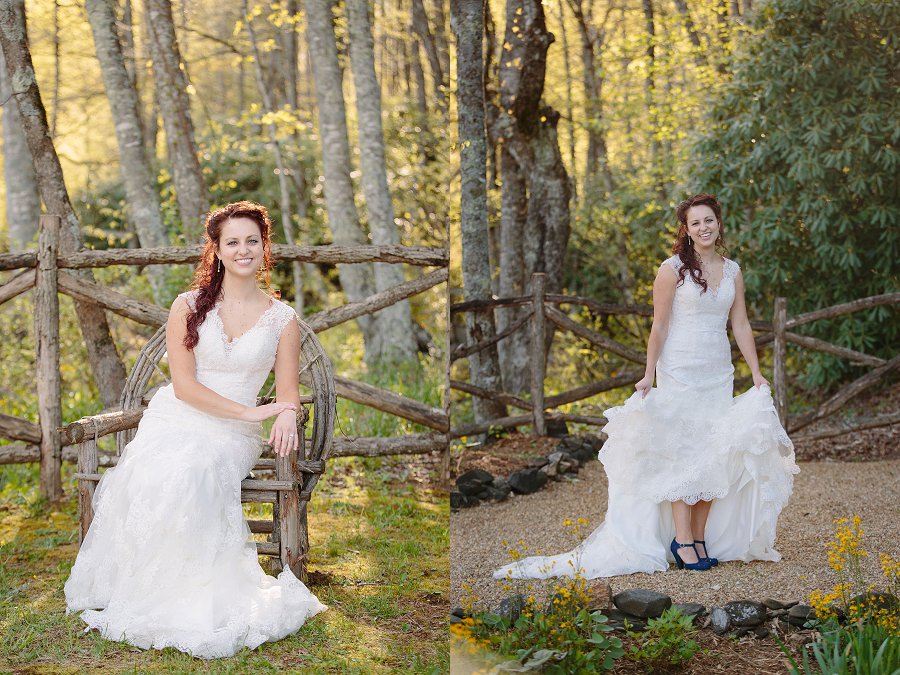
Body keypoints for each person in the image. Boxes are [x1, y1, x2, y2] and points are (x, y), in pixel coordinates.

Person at [65, 201, 326, 658]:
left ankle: (195, 593)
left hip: (231, 435)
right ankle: (146, 587)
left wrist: (285, 411)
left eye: (252, 240)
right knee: (157, 471)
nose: (243, 249)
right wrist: (251, 414)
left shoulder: (283, 320)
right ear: (218, 251)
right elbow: (184, 387)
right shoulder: (187, 306)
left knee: (195, 472)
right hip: (178, 416)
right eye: (233, 242)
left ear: (265, 248)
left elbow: (287, 392)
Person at [495, 193, 799, 580]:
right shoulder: (672, 269)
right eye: (695, 223)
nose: (704, 228)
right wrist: (649, 372)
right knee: (682, 454)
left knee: (715, 454)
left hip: (717, 372)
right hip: (679, 371)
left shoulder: (733, 270)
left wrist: (755, 372)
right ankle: (683, 541)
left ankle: (701, 538)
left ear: (719, 224)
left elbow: (740, 324)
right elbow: (659, 325)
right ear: (686, 231)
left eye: (709, 221)